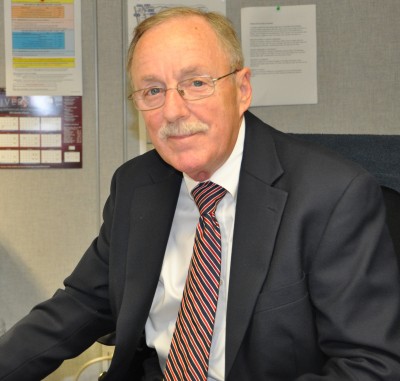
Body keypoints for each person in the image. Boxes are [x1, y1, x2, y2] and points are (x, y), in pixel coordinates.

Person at [0, 6, 399, 381]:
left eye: (196, 83)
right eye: (152, 90)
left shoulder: (331, 194)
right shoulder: (136, 185)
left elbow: (370, 364)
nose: (173, 111)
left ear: (242, 89)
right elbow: (82, 304)